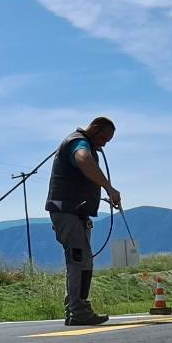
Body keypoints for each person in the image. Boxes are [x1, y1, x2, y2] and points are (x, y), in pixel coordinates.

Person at [44, 117, 122, 327]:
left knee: (81, 260)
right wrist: (109, 187)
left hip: (74, 214)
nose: (104, 144)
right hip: (67, 213)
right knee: (80, 260)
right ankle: (78, 310)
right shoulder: (78, 142)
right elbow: (83, 158)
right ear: (94, 129)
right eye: (104, 138)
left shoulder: (81, 141)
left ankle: (76, 307)